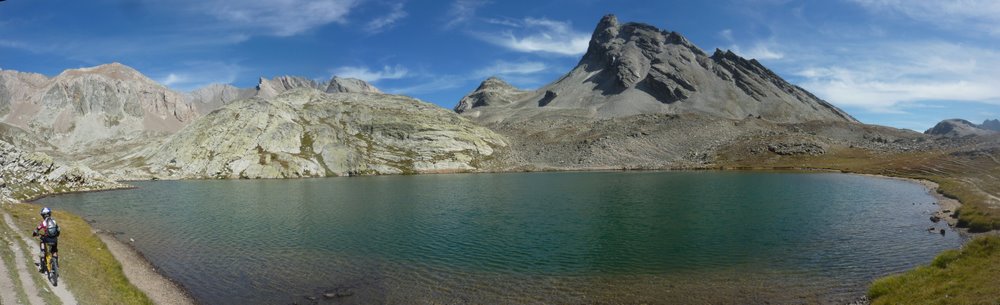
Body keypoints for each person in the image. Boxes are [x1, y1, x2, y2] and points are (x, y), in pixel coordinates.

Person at [32, 207, 59, 273]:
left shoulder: (44, 223)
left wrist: (34, 234)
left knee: (42, 241)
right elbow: (58, 230)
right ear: (50, 214)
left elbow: (37, 229)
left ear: (43, 215)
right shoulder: (54, 221)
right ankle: (56, 264)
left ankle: (42, 259)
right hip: (54, 239)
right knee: (54, 250)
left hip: (47, 239)